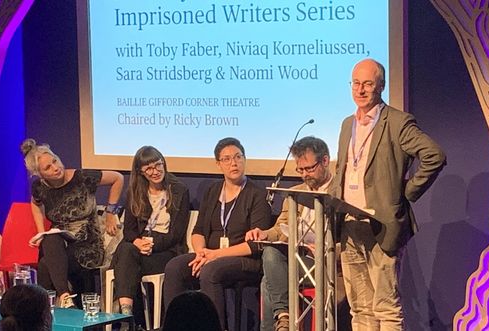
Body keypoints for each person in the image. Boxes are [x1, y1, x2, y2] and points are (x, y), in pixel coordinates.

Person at [330, 58, 446, 330]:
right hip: (350, 225)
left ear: (380, 86)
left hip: (382, 224)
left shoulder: (397, 122)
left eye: (367, 84)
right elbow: (343, 170)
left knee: (386, 308)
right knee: (359, 309)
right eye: (356, 83)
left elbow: (434, 156)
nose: (360, 90)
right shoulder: (348, 124)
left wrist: (405, 193)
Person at [163, 137, 272, 330]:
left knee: (210, 271)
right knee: (174, 267)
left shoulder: (257, 193)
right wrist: (201, 252)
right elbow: (198, 231)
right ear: (218, 164)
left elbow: (255, 245)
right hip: (210, 255)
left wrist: (214, 255)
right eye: (227, 159)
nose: (234, 163)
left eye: (238, 157)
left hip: (246, 259)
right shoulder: (213, 191)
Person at [21, 138, 124, 308]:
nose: (56, 168)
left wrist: (111, 212)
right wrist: (40, 231)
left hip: (87, 243)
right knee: (50, 239)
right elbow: (35, 203)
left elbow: (117, 178)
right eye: (48, 167)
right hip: (59, 245)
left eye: (55, 161)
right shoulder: (40, 186)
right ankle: (64, 299)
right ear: (40, 174)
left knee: (45, 265)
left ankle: (53, 311)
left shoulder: (82, 178)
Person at [246, 136, 333, 331]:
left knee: (268, 280)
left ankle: (281, 321)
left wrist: (325, 247)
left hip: (326, 263)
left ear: (325, 161)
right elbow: (281, 228)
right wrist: (264, 234)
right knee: (270, 254)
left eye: (309, 168)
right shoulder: (295, 192)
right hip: (300, 261)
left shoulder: (340, 192)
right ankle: (284, 318)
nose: (304, 175)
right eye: (300, 170)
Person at [111, 146, 190, 317]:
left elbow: (176, 234)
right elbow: (130, 231)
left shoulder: (179, 190)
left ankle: (125, 317)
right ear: (141, 172)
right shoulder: (136, 192)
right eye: (149, 168)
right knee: (126, 249)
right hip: (138, 248)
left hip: (166, 251)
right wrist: (138, 242)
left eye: (158, 165)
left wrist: (152, 244)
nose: (155, 171)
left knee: (125, 256)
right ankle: (127, 312)